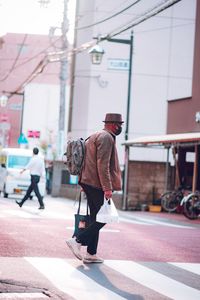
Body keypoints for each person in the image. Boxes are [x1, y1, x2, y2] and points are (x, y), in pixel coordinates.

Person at [66, 113, 123, 263]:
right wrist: (107, 188)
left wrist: (82, 182)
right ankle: (77, 241)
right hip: (96, 184)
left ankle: (91, 253)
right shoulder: (106, 138)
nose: (121, 128)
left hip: (88, 181)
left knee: (95, 217)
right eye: (119, 125)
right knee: (105, 217)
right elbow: (102, 164)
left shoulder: (93, 136)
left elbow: (85, 161)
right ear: (113, 125)